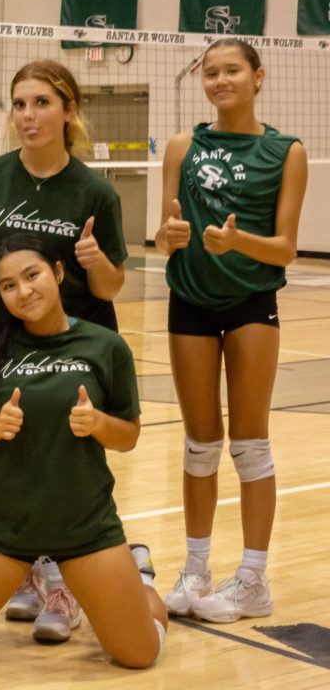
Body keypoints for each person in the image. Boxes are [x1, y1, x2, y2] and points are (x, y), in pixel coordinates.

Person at [0, 234, 166, 669]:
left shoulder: (105, 346)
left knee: (139, 656)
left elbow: (129, 436)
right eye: (8, 285)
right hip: (3, 526)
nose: (23, 291)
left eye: (32, 275)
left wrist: (99, 424)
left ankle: (137, 575)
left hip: (85, 525)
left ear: (59, 271)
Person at [0, 59, 128, 638]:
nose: (28, 116)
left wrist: (97, 266)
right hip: (3, 346)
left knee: (68, 456)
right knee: (10, 451)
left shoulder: (94, 189)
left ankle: (71, 580)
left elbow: (112, 287)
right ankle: (22, 568)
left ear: (69, 110)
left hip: (74, 347)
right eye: (19, 104)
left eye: (42, 103)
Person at [155, 38, 307, 624]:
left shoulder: (285, 151)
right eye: (210, 73)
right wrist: (171, 236)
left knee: (249, 442)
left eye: (231, 71)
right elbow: (167, 227)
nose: (219, 81)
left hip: (250, 301)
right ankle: (195, 570)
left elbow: (287, 248)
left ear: (257, 77)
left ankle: (252, 579)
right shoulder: (182, 144)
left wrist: (236, 239)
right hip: (188, 300)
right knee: (200, 443)